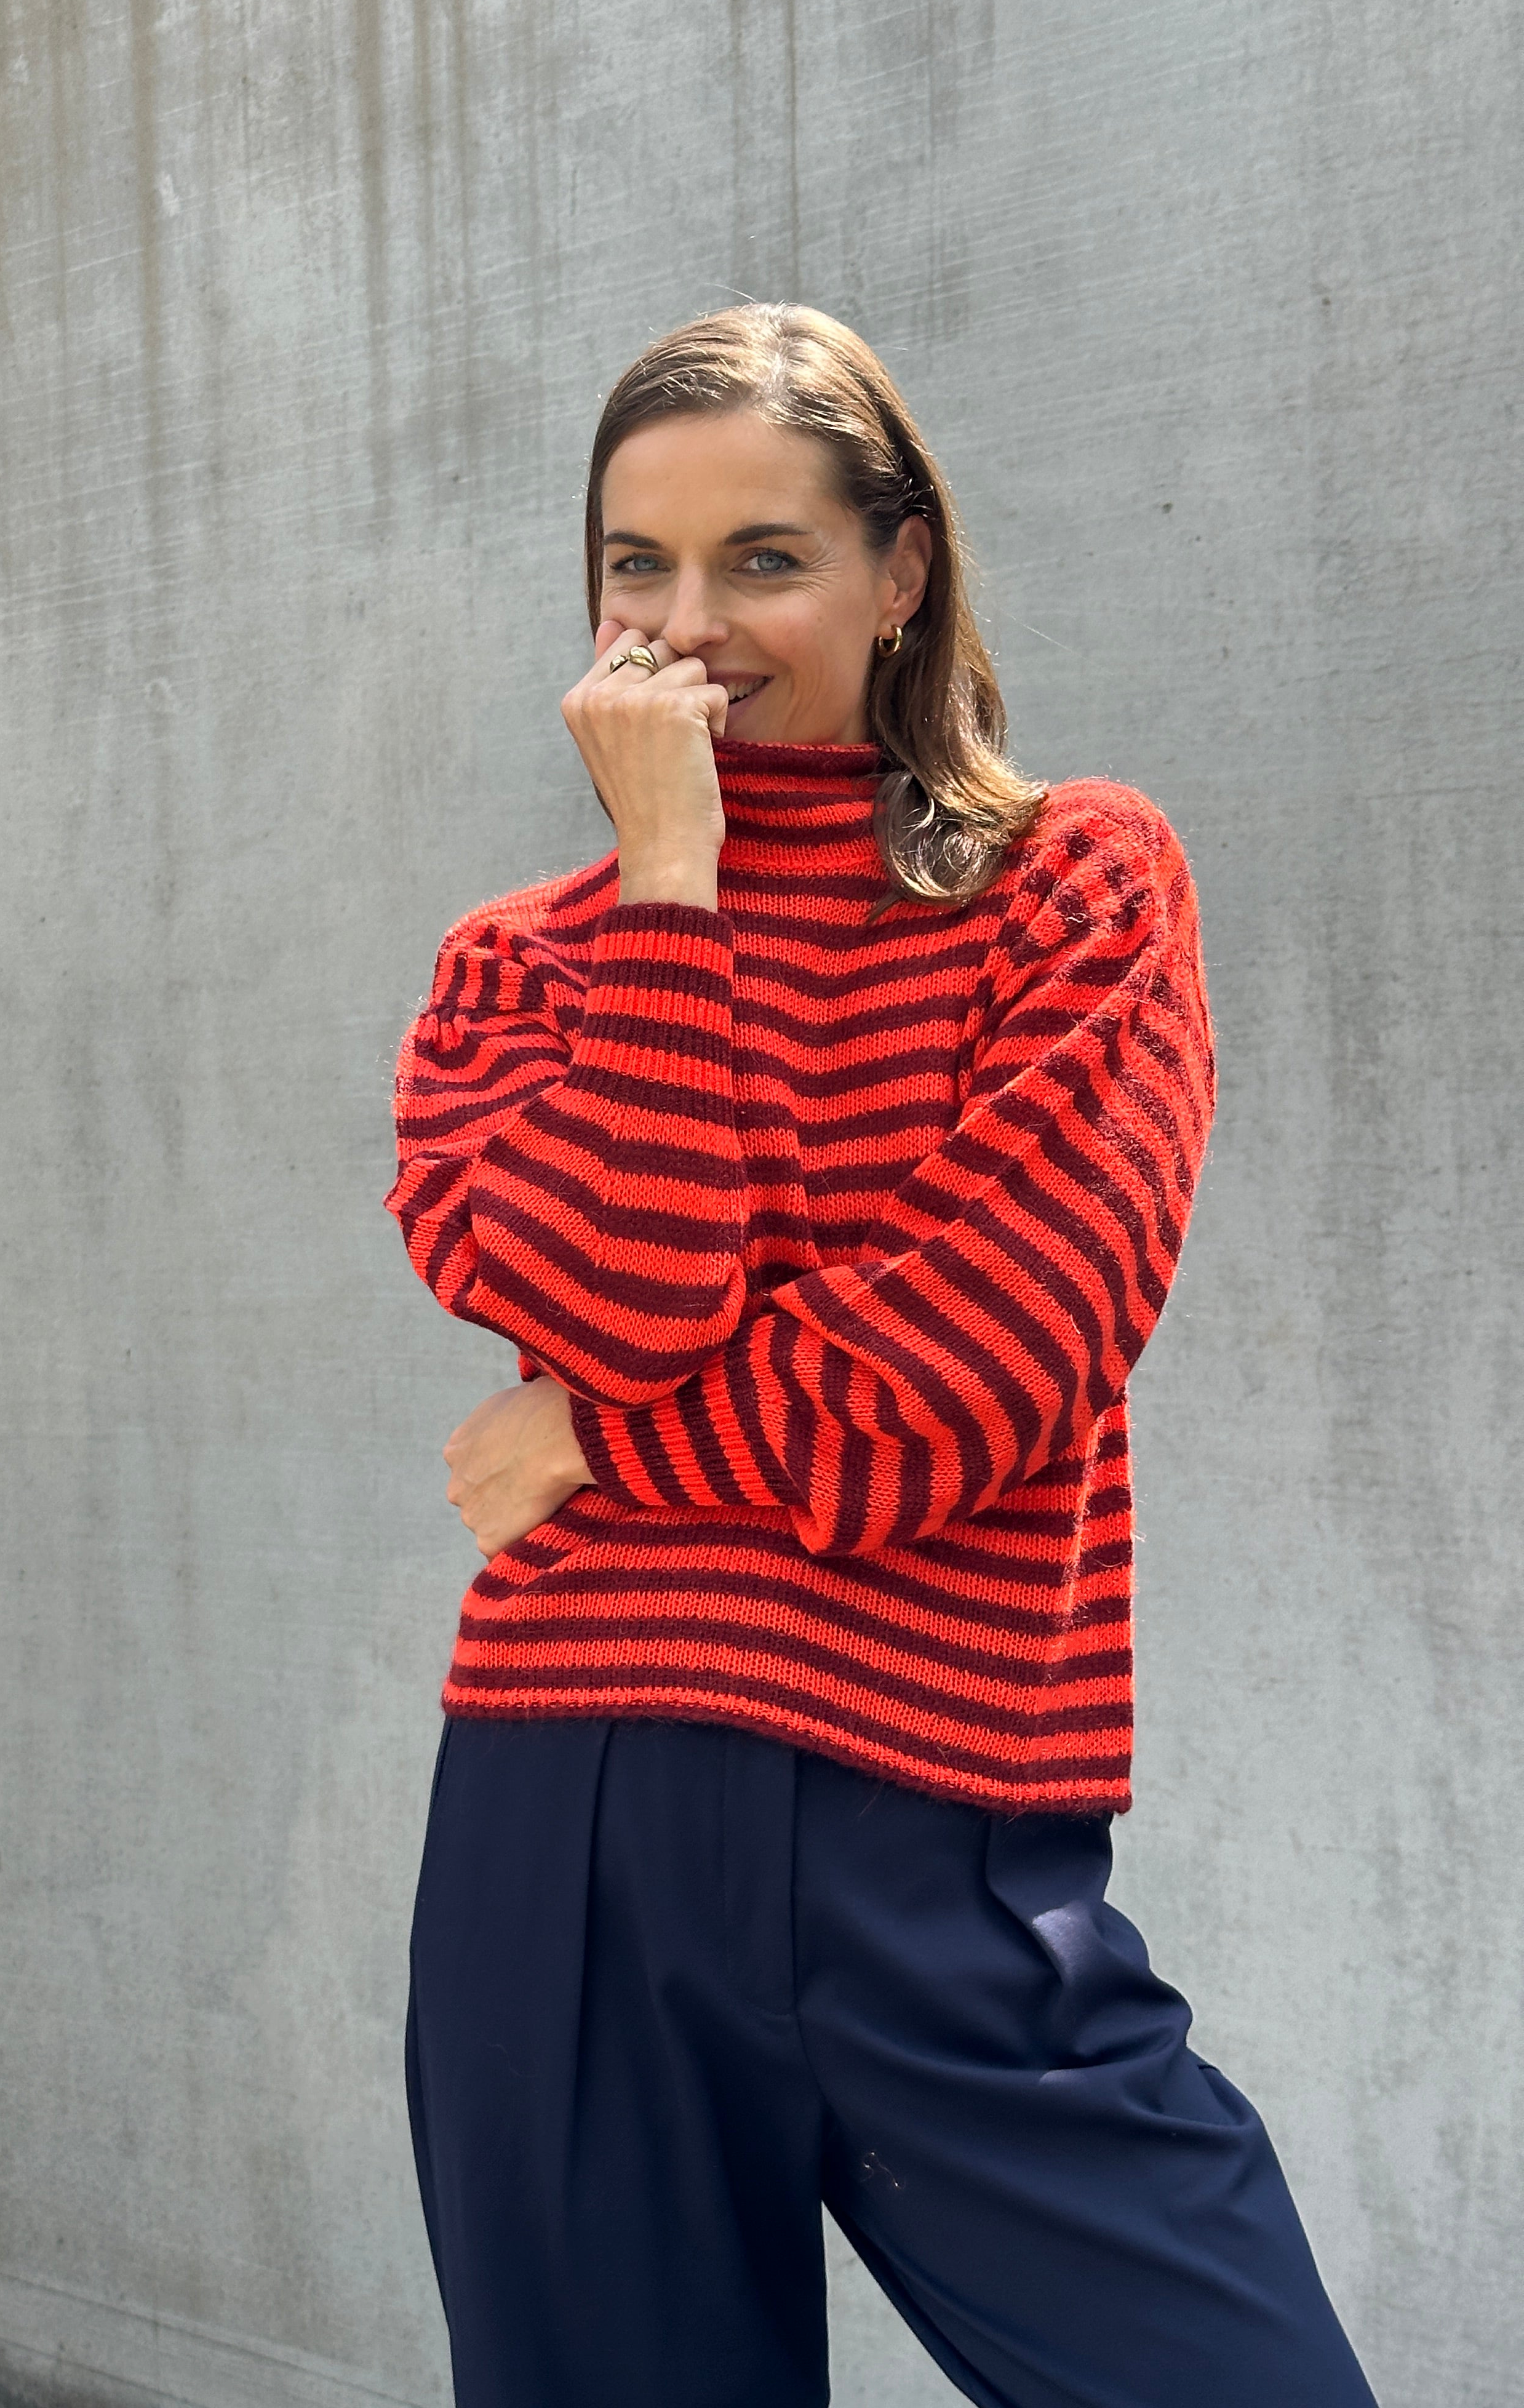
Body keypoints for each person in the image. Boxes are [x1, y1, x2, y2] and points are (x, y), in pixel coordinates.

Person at [384, 303, 1376, 2408]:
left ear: (900, 569)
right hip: (569, 1819)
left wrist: (597, 1452)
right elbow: (629, 1300)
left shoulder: (1073, 889)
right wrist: (671, 888)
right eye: (638, 566)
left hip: (941, 1831)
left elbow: (972, 1381)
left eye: (765, 557)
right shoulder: (518, 971)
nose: (689, 624)